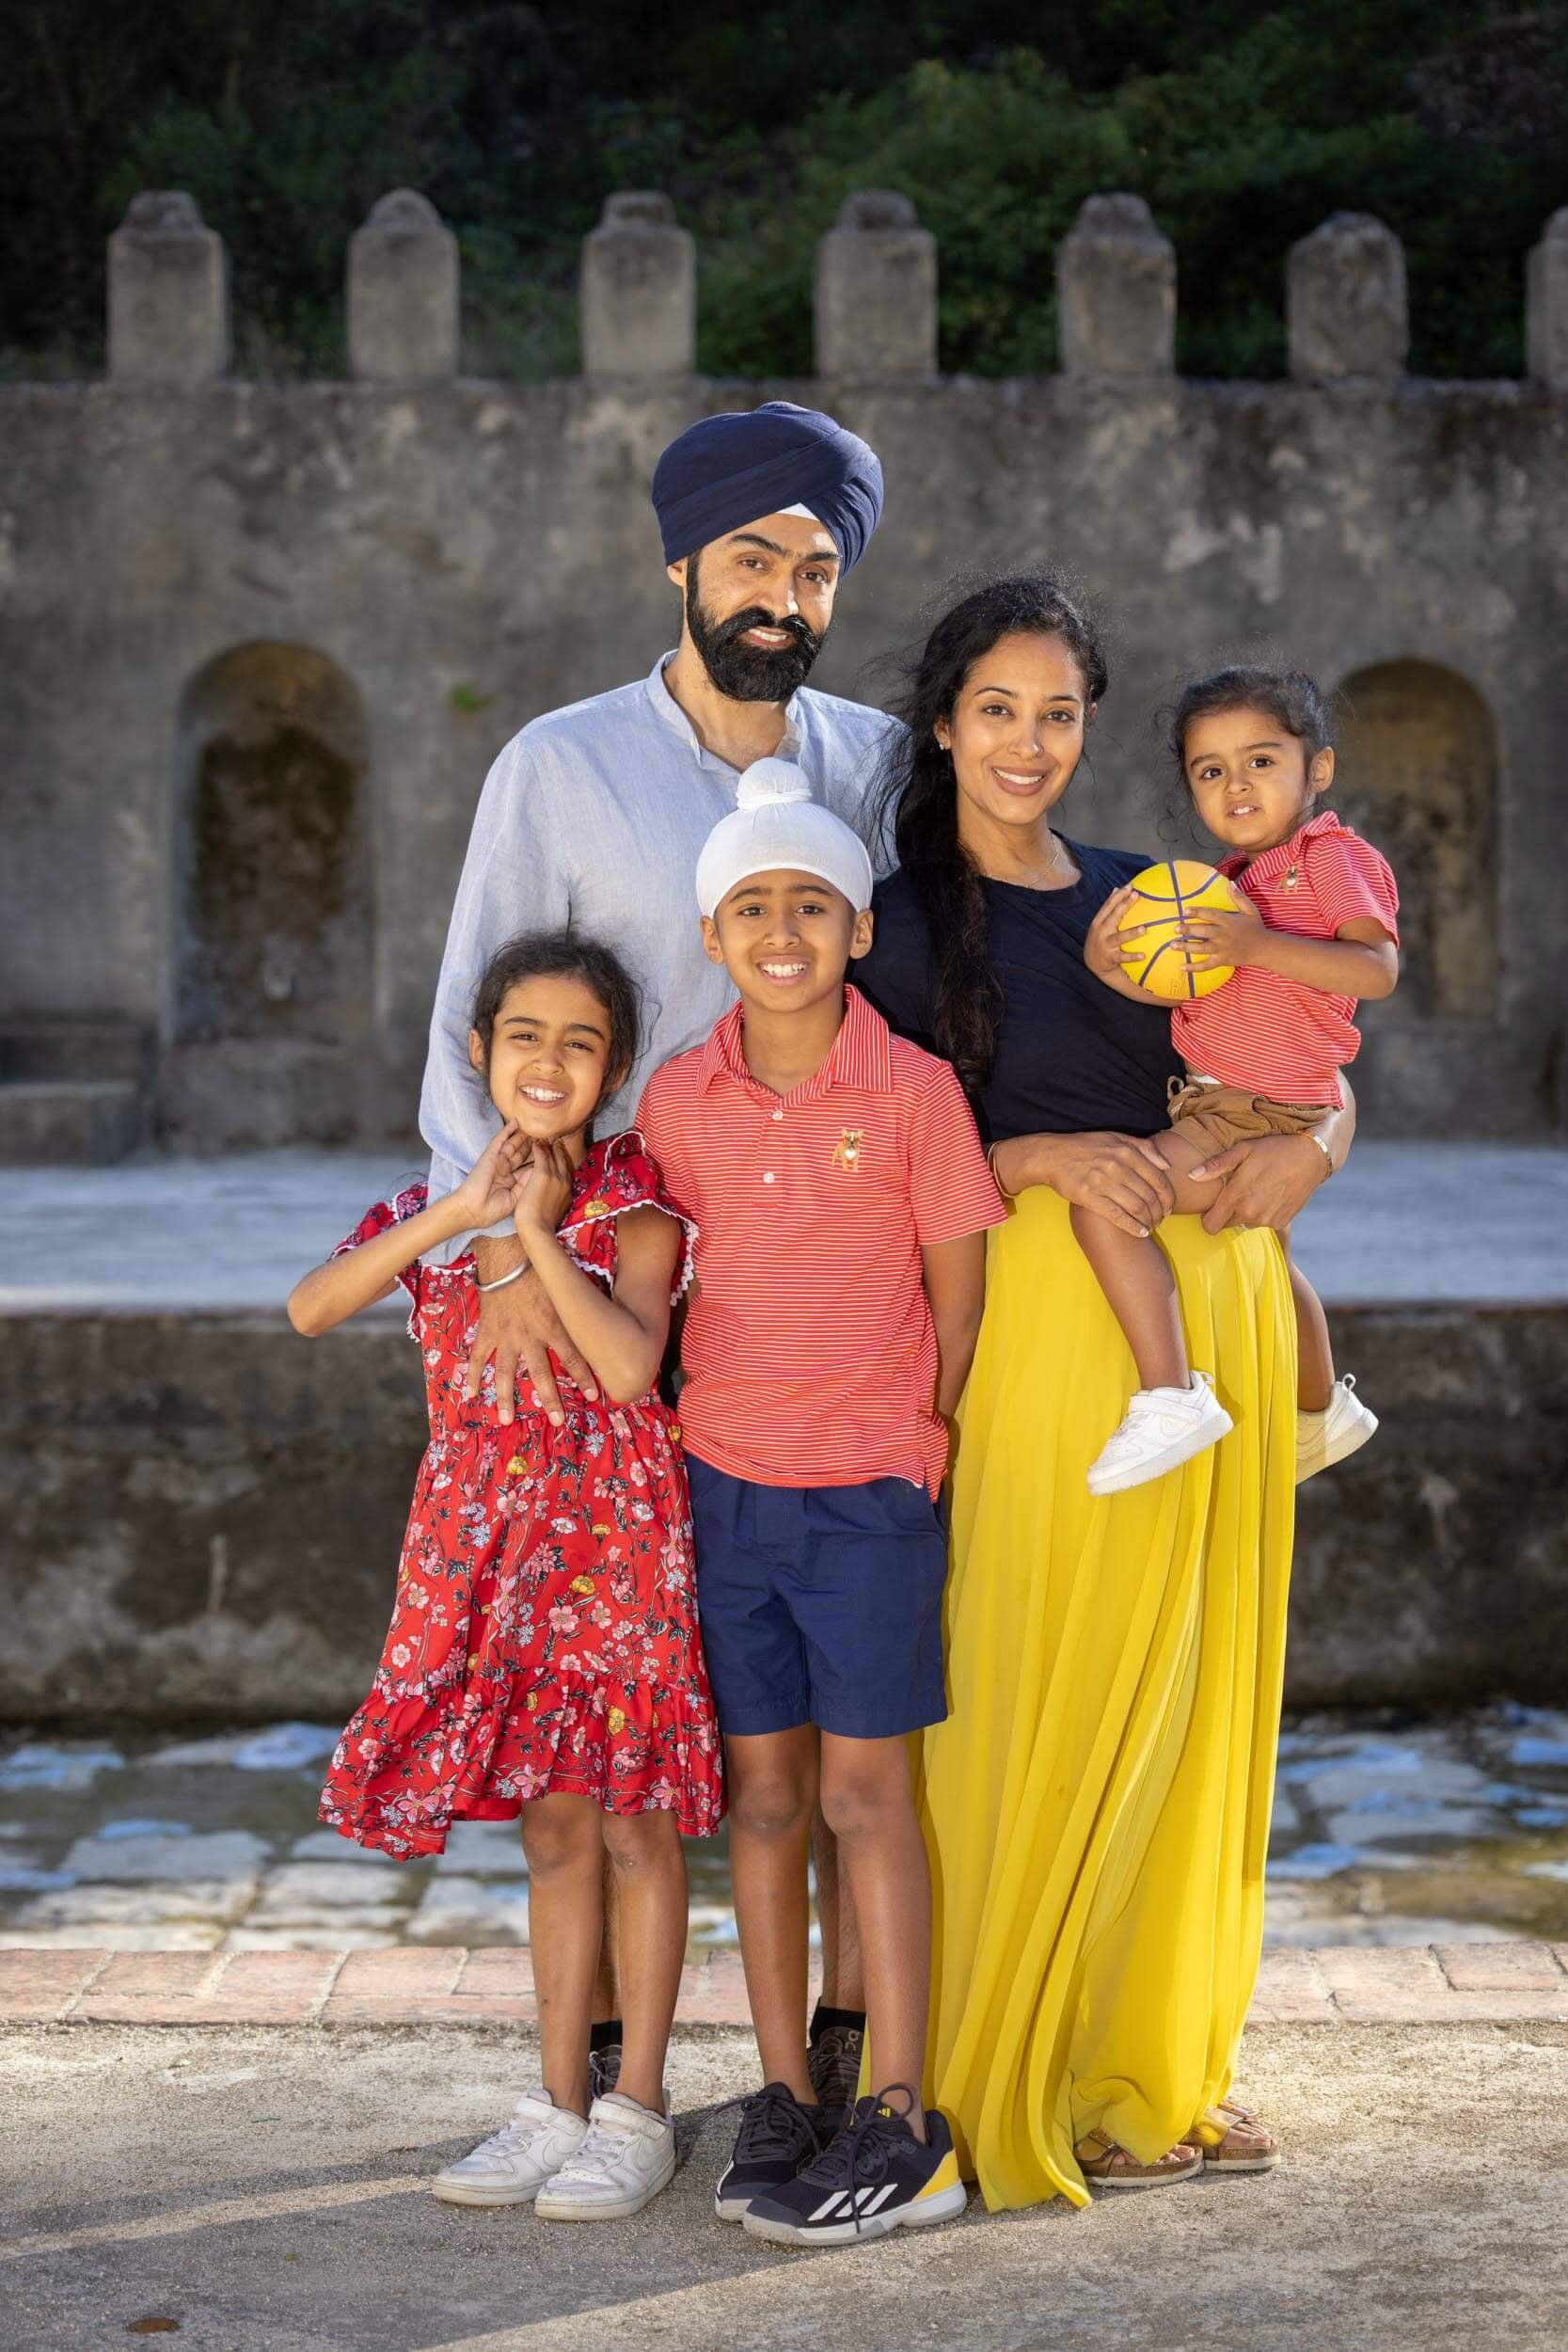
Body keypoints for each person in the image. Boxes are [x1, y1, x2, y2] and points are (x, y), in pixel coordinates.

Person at [857, 573, 1355, 2210]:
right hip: (1047, 1342)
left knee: (1191, 1716)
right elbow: (867, 1151)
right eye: (994, 708)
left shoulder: (1161, 890)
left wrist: (1317, 1147)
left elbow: (1302, 1064)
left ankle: (1153, 2075)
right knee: (1033, 1698)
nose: (1027, 742)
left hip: (1203, 1316)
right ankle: (1023, 2066)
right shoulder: (899, 914)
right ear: (943, 722)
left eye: (1058, 712)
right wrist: (1021, 1151)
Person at [419, 397, 892, 2101]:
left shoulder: (875, 763)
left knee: (816, 1710)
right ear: (681, 559)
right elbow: (464, 1027)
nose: (783, 590)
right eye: (754, 554)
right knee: (603, 1703)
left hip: (815, 1297)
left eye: (817, 564)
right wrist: (493, 1273)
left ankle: (828, 2055)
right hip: (595, 1275)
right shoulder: (554, 762)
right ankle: (613, 2082)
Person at [295, 932, 721, 2222]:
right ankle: (554, 2101)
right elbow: (314, 1306)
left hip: (615, 1550)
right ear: (477, 1053)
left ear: (617, 1067)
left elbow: (626, 1371)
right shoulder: (444, 1203)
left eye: (579, 1042)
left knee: (634, 1820)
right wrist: (466, 1216)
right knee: (548, 1824)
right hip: (489, 1555)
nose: (548, 1061)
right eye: (523, 1035)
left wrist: (535, 1238)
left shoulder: (636, 1201)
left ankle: (636, 2109)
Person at [637, 760, 1006, 2247]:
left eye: (809, 903)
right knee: (765, 1802)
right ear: (712, 937)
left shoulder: (914, 1093)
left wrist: (911, 1443)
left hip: (863, 1495)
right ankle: (784, 2092)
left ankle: (901, 2114)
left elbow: (956, 1305)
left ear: (856, 930)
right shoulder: (676, 1098)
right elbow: (652, 1276)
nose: (780, 928)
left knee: (867, 1799)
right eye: (748, 907)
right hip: (722, 1494)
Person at [1077, 664, 1399, 1494]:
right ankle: (1322, 1411)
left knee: (1106, 1205)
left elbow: (1376, 969)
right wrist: (1103, 965)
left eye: (1260, 760)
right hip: (1229, 1097)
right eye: (1210, 770)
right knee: (1271, 1261)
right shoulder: (1226, 884)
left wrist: (1254, 946)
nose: (1236, 784)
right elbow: (1167, 989)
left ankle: (1169, 1393)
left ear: (1315, 769)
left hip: (1255, 1109)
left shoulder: (1325, 858)